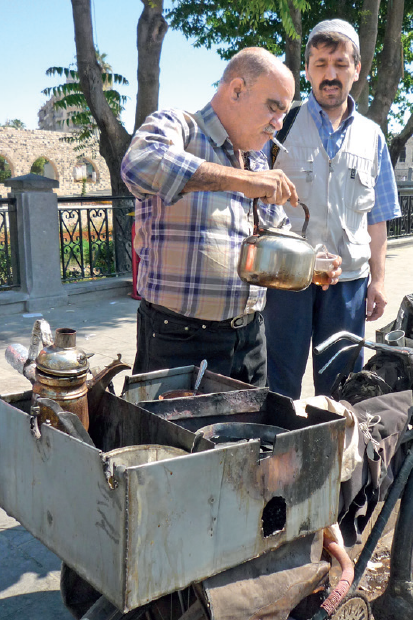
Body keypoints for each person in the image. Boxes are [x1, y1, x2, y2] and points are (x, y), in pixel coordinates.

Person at [122, 48, 334, 386]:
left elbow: (273, 233)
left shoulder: (256, 160)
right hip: (178, 340)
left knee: (252, 439)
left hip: (250, 340)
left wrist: (311, 263)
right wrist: (244, 181)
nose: (279, 123)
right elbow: (139, 164)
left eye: (283, 112)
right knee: (176, 441)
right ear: (236, 90)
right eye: (273, 107)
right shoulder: (180, 126)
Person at [263, 19, 402, 400]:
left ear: (357, 70)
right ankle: (279, 450)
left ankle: (338, 455)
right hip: (286, 281)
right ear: (306, 69)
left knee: (342, 387)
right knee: (279, 383)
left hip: (349, 284)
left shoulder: (373, 137)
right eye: (321, 63)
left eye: (340, 64)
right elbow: (254, 196)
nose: (330, 75)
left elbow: (378, 216)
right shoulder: (279, 127)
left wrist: (378, 280)